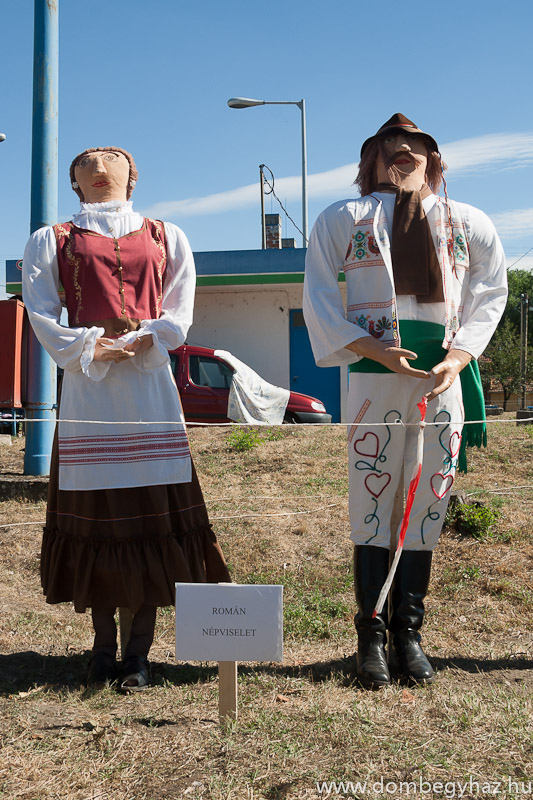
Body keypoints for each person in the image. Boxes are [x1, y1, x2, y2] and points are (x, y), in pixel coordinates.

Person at [303, 114, 507, 688]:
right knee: (371, 495)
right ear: (369, 159)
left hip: (442, 374)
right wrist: (373, 348)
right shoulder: (344, 217)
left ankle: (408, 631)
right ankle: (370, 635)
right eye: (390, 144)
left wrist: (460, 357)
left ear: (433, 159)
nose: (403, 150)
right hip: (374, 370)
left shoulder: (468, 220)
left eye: (415, 145)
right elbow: (318, 292)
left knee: (429, 496)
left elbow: (491, 290)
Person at [23, 147, 230, 690]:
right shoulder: (52, 239)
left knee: (151, 517)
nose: (99, 166)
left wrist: (147, 336)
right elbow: (39, 308)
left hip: (149, 386)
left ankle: (139, 653)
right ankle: (101, 649)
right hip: (90, 391)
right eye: (87, 161)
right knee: (98, 518)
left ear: (132, 176)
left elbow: (180, 306)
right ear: (73, 181)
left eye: (111, 158)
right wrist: (88, 346)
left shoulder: (166, 235)